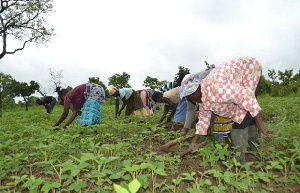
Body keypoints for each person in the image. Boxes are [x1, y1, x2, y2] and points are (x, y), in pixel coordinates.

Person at [180, 56, 270, 161]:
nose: (192, 101)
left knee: (241, 119)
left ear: (198, 89)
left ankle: (241, 161)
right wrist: (194, 143)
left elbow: (246, 95)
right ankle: (255, 153)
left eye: (191, 97)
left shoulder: (217, 88)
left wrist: (261, 124)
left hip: (248, 70)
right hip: (233, 79)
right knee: (244, 114)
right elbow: (203, 120)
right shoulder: (202, 98)